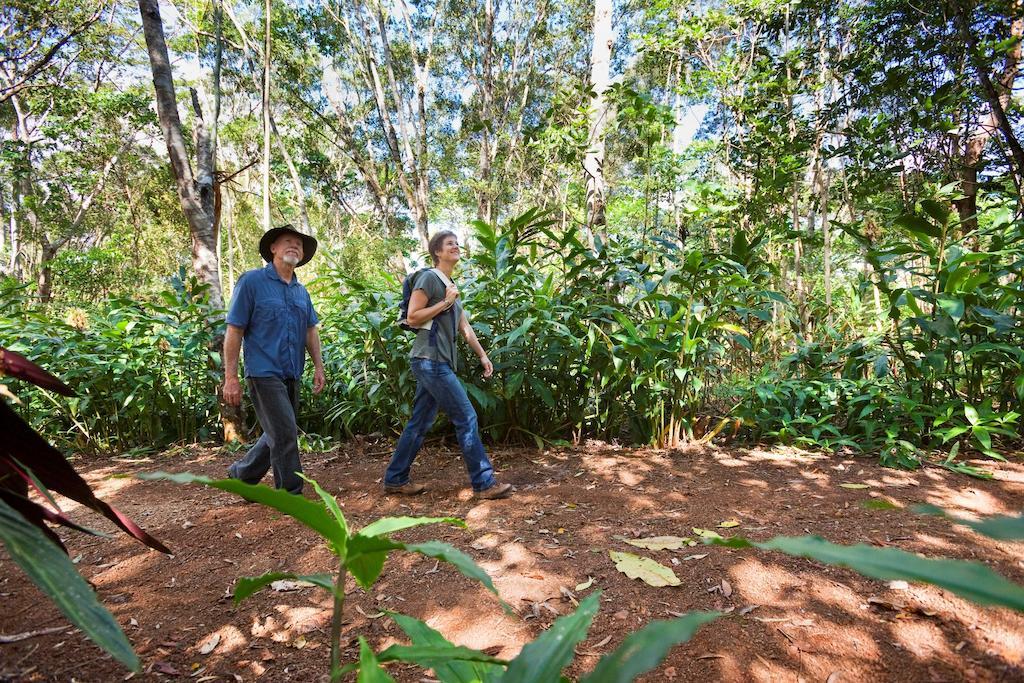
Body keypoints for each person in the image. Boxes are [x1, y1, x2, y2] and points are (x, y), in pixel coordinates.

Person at [384, 230, 513, 499]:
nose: (455, 246)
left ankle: (395, 479)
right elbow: (412, 317)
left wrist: (483, 356)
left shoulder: (451, 286)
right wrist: (445, 302)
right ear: (437, 253)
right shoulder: (429, 279)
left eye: (457, 243)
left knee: (419, 423)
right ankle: (484, 483)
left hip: (437, 362)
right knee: (466, 417)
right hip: (429, 361)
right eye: (449, 244)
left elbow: (465, 328)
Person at [223, 224, 325, 495]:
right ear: (273, 248)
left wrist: (318, 366)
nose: (295, 246)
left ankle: (242, 475)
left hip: (292, 371)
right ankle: (290, 494)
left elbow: (310, 330)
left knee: (278, 432)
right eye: (288, 241)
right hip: (263, 371)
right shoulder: (252, 282)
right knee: (284, 433)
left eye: (299, 244)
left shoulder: (301, 293)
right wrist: (230, 377)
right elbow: (235, 329)